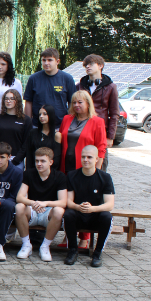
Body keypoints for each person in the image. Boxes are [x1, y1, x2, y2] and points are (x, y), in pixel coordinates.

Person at [58, 91, 107, 250]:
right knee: (68, 201)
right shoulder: (67, 119)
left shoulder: (97, 121)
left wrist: (96, 171)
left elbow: (101, 147)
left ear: (88, 103)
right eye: (74, 102)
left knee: (85, 200)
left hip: (85, 168)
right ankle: (68, 234)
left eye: (80, 102)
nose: (76, 105)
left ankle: (84, 238)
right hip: (66, 166)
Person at [64, 145, 115, 268]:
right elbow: (68, 201)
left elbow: (110, 204)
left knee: (107, 216)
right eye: (83, 157)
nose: (85, 160)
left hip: (95, 217)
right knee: (68, 214)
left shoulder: (105, 177)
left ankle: (97, 253)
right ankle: (73, 250)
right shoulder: (72, 175)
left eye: (89, 157)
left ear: (97, 159)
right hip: (78, 215)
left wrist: (92, 209)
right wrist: (78, 207)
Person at [14, 147, 67, 262]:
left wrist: (45, 203)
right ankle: (26, 245)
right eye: (37, 161)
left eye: (43, 161)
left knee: (59, 211)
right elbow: (19, 197)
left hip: (48, 212)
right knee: (19, 207)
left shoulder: (60, 176)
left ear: (51, 162)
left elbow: (63, 202)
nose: (39, 164)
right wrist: (33, 203)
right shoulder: (28, 174)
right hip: (32, 209)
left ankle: (45, 246)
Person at [77, 54, 119, 171]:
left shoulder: (111, 87)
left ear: (100, 66)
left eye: (91, 64)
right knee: (82, 161)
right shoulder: (79, 86)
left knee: (100, 164)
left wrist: (110, 136)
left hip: (100, 131)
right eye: (86, 65)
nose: (87, 67)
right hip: (81, 129)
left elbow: (114, 113)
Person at [23, 47, 77, 122]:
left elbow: (72, 102)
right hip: (37, 125)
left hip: (60, 124)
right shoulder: (34, 78)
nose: (46, 63)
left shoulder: (67, 79)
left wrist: (69, 123)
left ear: (57, 61)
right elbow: (28, 101)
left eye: (50, 60)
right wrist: (28, 122)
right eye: (44, 60)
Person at [0, 89, 32, 167]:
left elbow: (26, 144)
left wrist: (16, 160)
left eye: (12, 98)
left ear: (17, 101)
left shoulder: (26, 120)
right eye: (6, 98)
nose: (8, 101)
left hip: (16, 160)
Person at [24, 104, 62, 172]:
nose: (41, 116)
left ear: (50, 115)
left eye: (45, 114)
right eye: (40, 114)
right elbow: (29, 155)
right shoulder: (33, 133)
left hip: (49, 172)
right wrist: (28, 172)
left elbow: (56, 159)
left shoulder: (57, 135)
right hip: (33, 171)